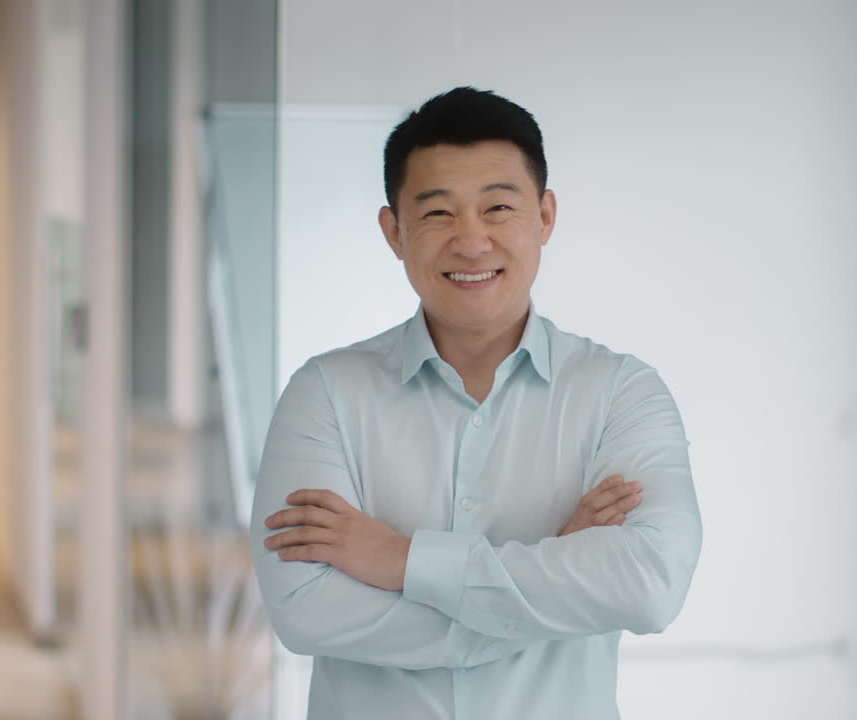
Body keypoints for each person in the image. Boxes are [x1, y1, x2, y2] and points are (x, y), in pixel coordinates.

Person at [250, 86, 702, 720]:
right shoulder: (325, 392)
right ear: (394, 231)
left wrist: (399, 560)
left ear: (544, 217)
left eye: (497, 207)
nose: (471, 241)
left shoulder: (621, 393)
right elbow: (304, 610)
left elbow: (649, 585)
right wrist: (549, 582)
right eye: (437, 214)